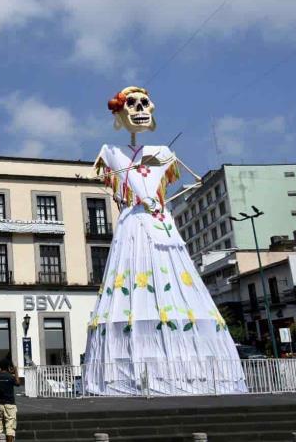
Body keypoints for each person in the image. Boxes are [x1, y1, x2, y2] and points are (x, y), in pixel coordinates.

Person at [83, 86, 245, 396]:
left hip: (160, 224)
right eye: (132, 104)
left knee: (172, 281)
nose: (141, 108)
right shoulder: (112, 152)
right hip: (133, 225)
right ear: (119, 113)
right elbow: (101, 175)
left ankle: (191, 371)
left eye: (145, 103)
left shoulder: (162, 153)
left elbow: (192, 180)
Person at [0, 358, 19, 442]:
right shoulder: (10, 377)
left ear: (0, 366)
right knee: (10, 427)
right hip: (10, 403)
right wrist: (16, 372)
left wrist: (8, 373)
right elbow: (18, 383)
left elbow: (1, 376)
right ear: (8, 367)